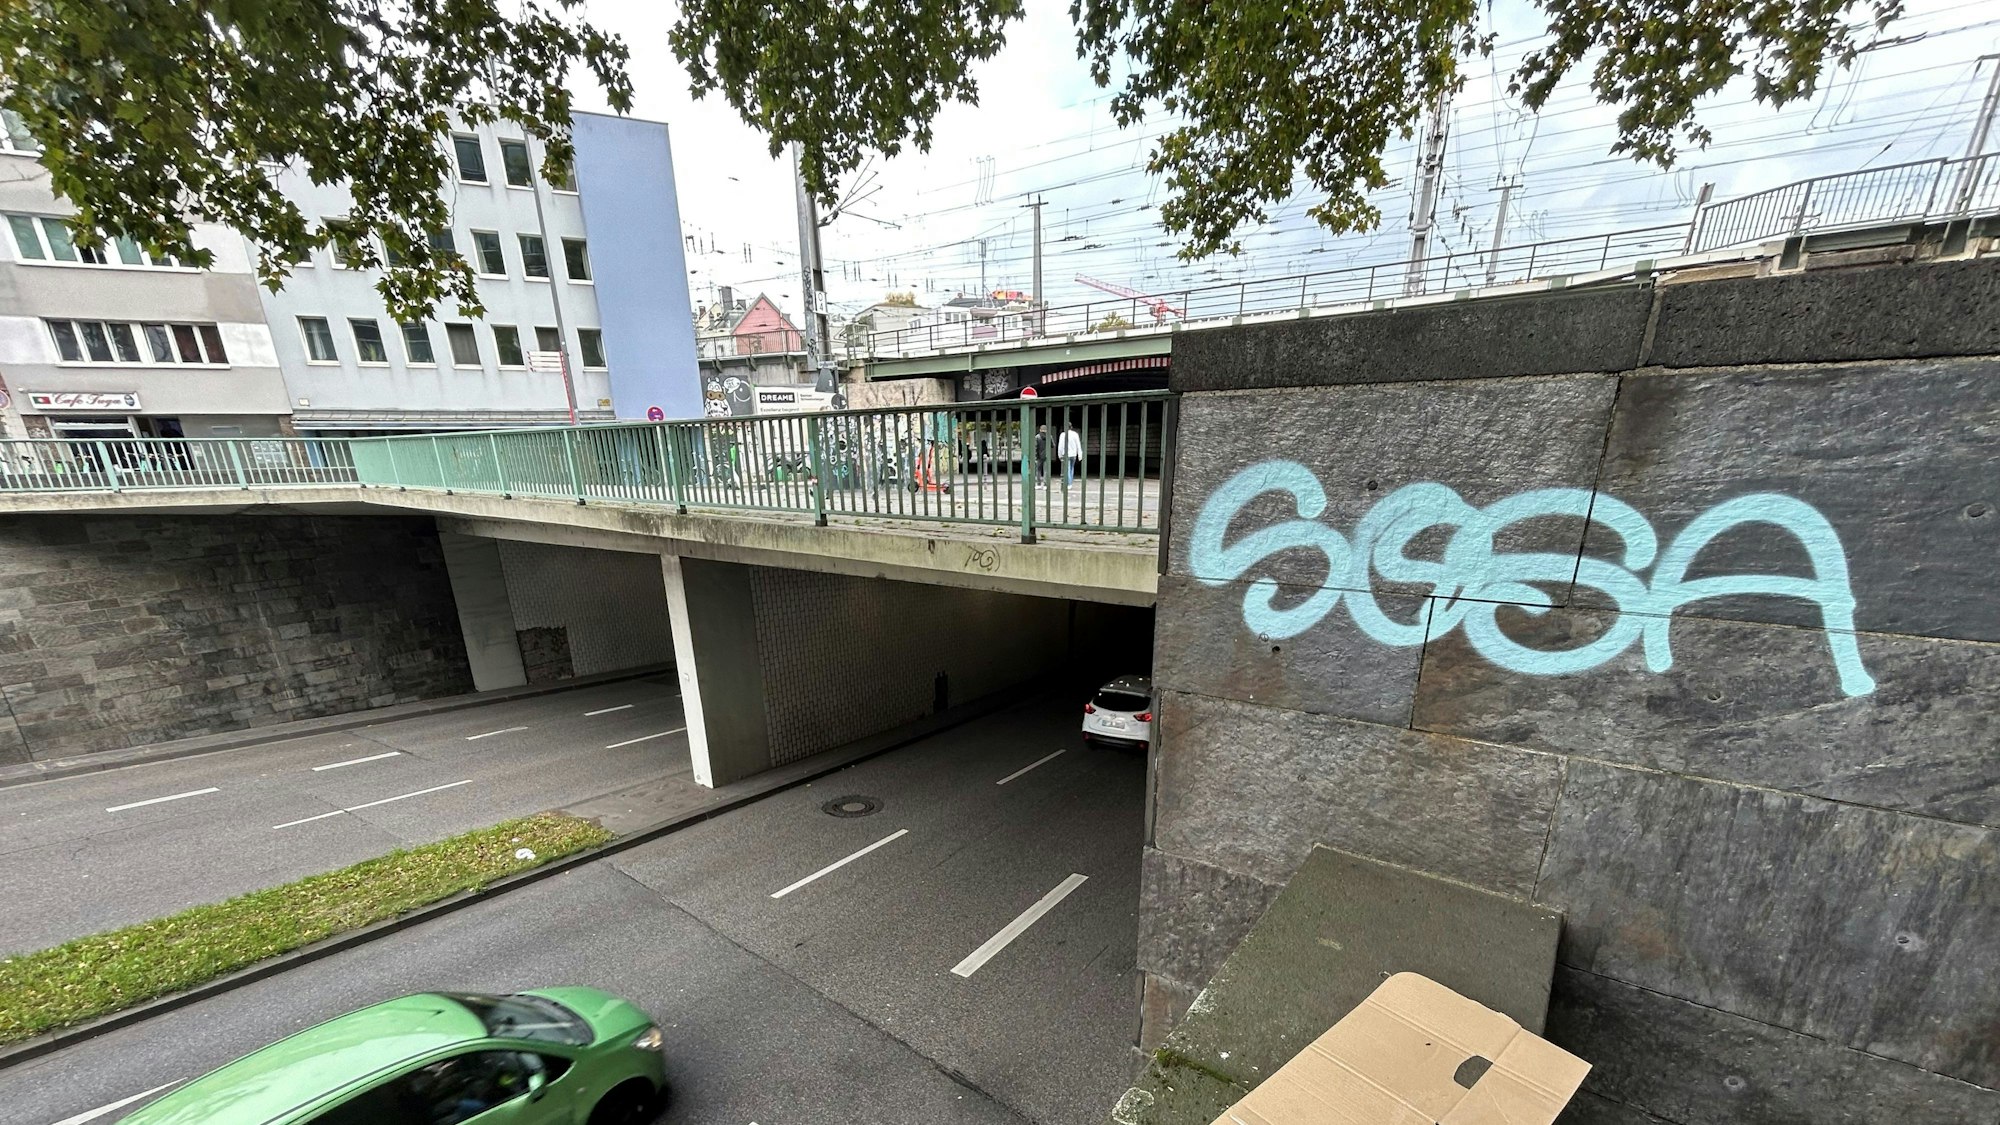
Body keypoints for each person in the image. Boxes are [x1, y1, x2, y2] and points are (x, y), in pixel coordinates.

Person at [1058, 420, 1084, 489]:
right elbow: (1078, 444)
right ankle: (1070, 482)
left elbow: (1060, 446)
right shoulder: (1075, 434)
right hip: (1073, 454)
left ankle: (1068, 483)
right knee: (1071, 468)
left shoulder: (1063, 434)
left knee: (1067, 469)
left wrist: (1059, 455)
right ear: (1071, 427)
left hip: (1066, 454)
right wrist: (1080, 454)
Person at [1033, 424, 1051, 491]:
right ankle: (1045, 485)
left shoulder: (1037, 437)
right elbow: (1053, 445)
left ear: (1040, 430)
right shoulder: (1049, 436)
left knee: (1038, 470)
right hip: (1046, 455)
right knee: (1046, 470)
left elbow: (1035, 447)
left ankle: (1038, 484)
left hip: (1039, 456)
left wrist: (1035, 456)